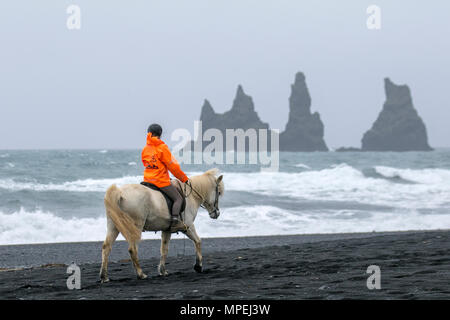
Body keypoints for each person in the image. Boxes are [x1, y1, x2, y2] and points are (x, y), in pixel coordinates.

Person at [141, 123, 189, 231]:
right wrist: (184, 179)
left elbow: (145, 163)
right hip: (160, 181)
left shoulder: (145, 149)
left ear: (149, 133)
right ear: (160, 134)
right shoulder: (162, 148)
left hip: (147, 180)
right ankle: (175, 222)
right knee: (178, 198)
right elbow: (173, 167)